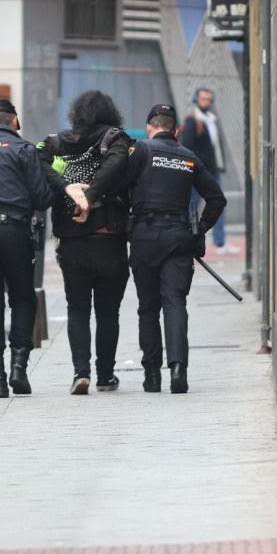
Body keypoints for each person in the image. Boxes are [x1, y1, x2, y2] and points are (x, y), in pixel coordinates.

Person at [111, 103, 225, 394]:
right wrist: (199, 231)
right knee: (175, 303)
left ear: (150, 128)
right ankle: (178, 370)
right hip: (178, 237)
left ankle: (151, 375)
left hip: (145, 237)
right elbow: (216, 199)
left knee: (148, 308)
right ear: (176, 130)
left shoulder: (142, 151)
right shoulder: (189, 158)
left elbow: (118, 187)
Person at [0, 97, 59, 399]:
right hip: (14, 232)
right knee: (21, 298)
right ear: (15, 121)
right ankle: (19, 368)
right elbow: (42, 199)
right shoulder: (23, 149)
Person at [37, 91, 133, 396]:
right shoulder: (115, 139)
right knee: (108, 312)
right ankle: (105, 375)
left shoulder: (55, 142)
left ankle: (81, 373)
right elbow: (118, 163)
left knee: (77, 309)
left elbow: (34, 160)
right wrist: (89, 197)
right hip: (109, 240)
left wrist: (68, 188)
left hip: (72, 244)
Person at [178, 86, 228, 252]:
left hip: (214, 171)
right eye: (203, 99)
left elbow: (216, 147)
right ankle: (185, 236)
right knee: (192, 205)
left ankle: (220, 242)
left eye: (209, 99)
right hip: (198, 172)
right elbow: (187, 147)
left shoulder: (211, 120)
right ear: (196, 100)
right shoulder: (193, 120)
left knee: (217, 203)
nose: (206, 102)